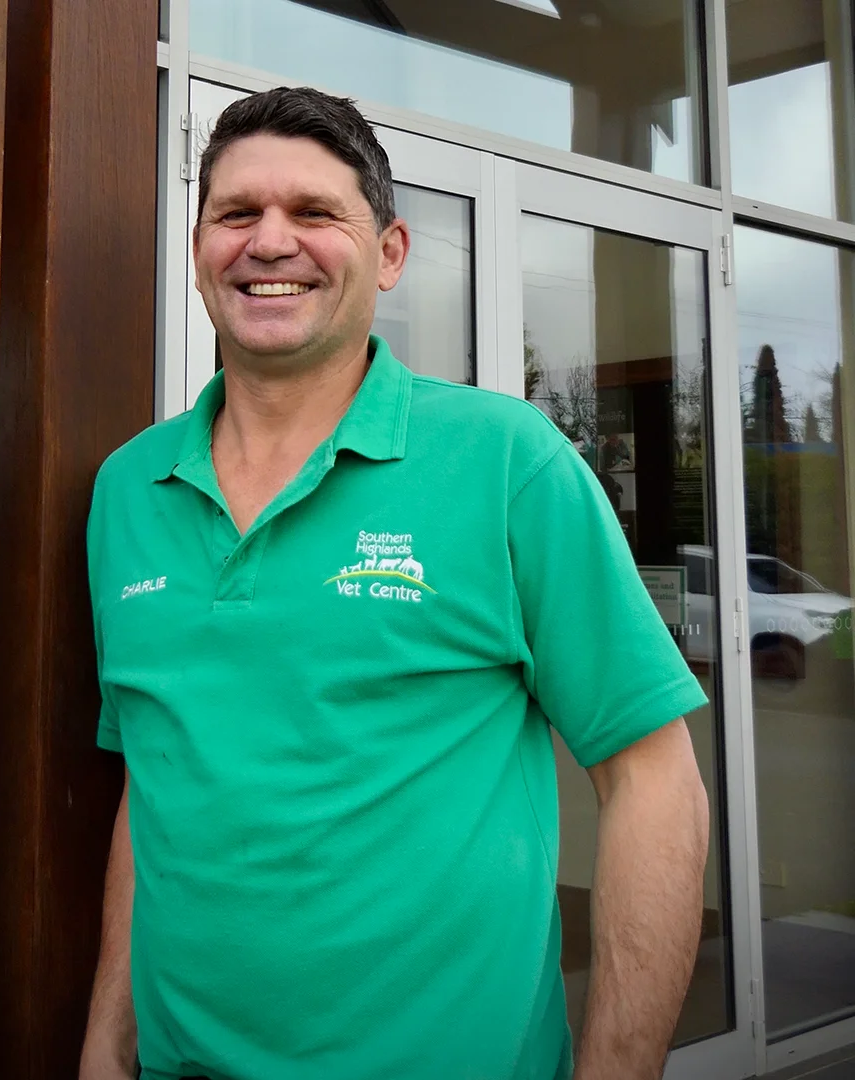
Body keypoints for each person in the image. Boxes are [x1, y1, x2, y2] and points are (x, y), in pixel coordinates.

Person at [80, 86, 709, 1080]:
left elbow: (651, 780)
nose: (269, 242)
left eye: (316, 214)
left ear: (391, 254)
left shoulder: (508, 463)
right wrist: (105, 1051)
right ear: (199, 248)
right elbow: (152, 792)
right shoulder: (127, 492)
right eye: (236, 214)